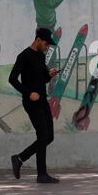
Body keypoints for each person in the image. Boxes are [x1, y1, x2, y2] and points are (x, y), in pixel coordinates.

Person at [9, 28, 60, 183]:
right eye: (45, 44)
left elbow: (41, 79)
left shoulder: (40, 56)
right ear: (38, 40)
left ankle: (20, 158)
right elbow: (12, 79)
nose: (47, 47)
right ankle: (41, 174)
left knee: (49, 136)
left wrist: (49, 75)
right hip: (31, 103)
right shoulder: (24, 56)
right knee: (43, 135)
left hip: (43, 100)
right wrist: (28, 93)